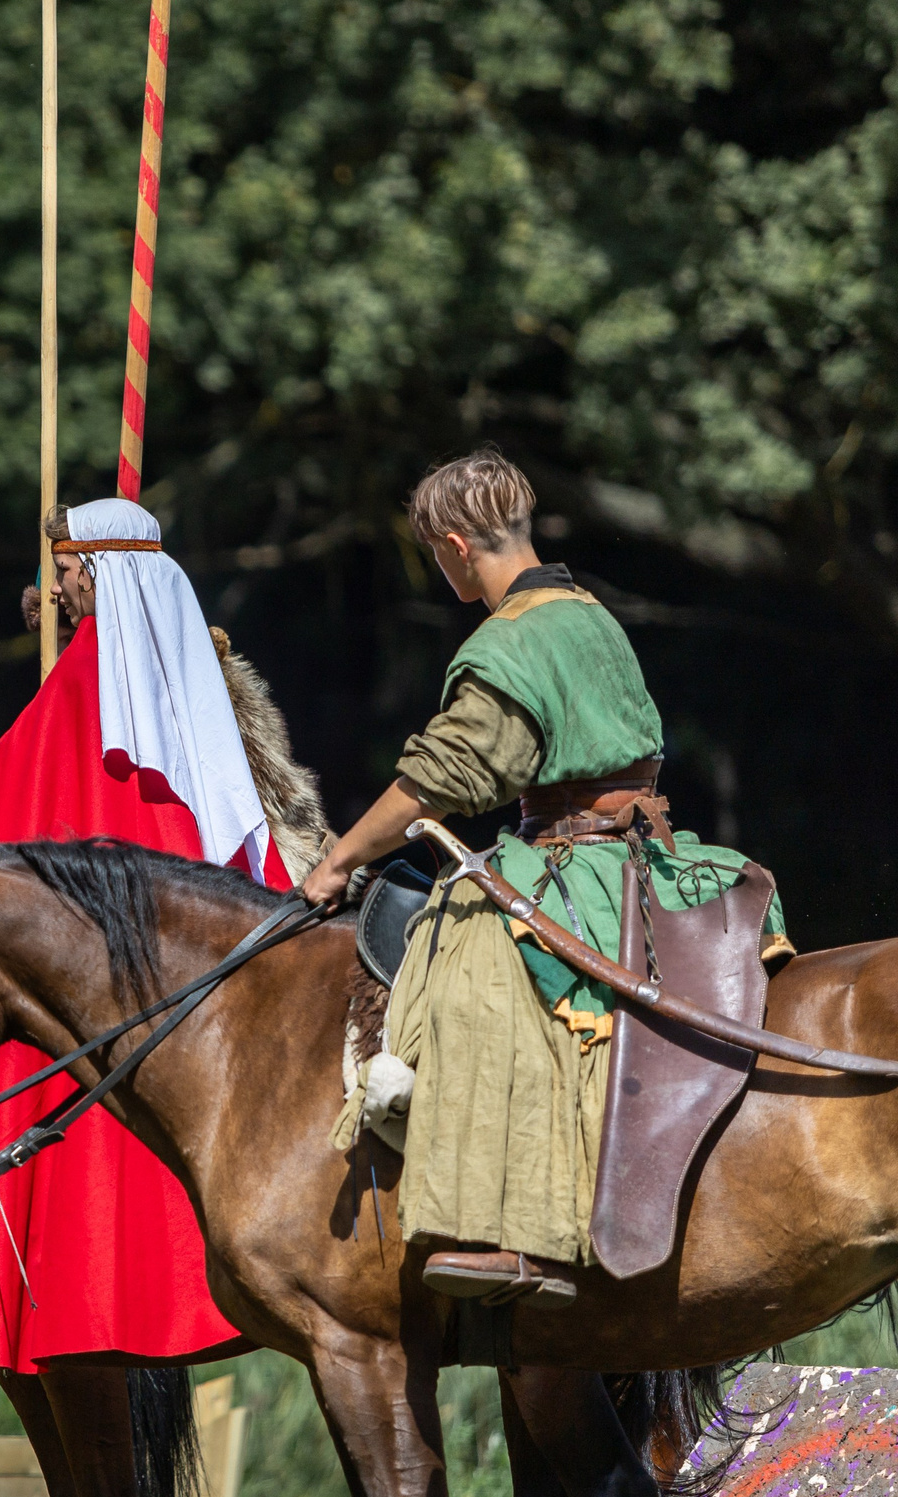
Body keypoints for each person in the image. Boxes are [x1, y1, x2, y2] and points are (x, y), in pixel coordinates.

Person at [0, 496, 328, 1375]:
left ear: (97, 570)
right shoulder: (169, 677)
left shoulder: (94, 667)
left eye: (64, 574)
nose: (56, 591)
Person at [303, 449, 787, 1308]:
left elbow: (447, 776)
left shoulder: (512, 639)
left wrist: (340, 857)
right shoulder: (590, 610)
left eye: (434, 553)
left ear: (454, 546)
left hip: (581, 860)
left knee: (468, 956)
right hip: (653, 852)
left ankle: (511, 1234)